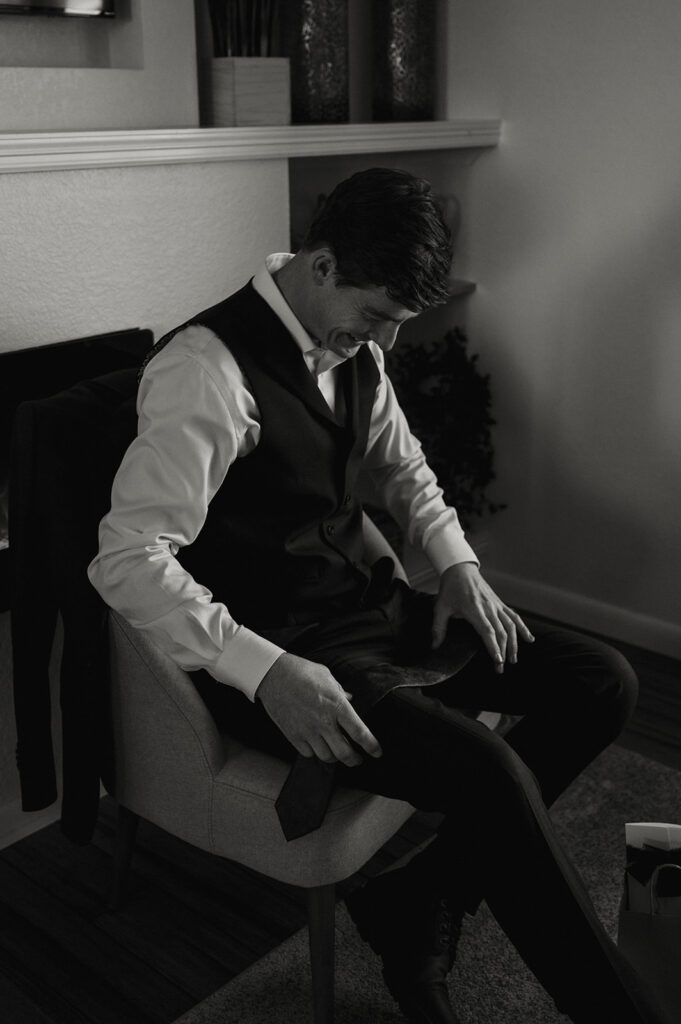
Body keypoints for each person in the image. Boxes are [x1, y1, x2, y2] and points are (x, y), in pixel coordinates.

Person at [88, 168, 669, 1024]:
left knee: (601, 681)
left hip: (371, 610)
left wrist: (459, 568)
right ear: (321, 267)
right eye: (378, 317)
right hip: (284, 652)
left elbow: (402, 469)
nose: (385, 343)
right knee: (489, 773)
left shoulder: (355, 345)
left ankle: (424, 894)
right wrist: (266, 670)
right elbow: (127, 556)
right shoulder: (205, 371)